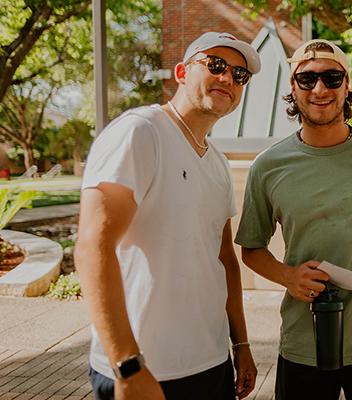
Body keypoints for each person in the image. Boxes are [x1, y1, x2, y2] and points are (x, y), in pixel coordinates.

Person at [75, 32, 261, 400]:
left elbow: (224, 260)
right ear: (180, 72)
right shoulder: (140, 132)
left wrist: (240, 346)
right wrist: (127, 366)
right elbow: (92, 246)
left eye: (240, 75)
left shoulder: (220, 164)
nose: (228, 78)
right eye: (216, 65)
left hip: (211, 365)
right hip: (144, 370)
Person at [235, 39, 352, 400]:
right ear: (293, 87)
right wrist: (288, 276)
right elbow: (251, 250)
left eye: (332, 78)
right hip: (305, 344)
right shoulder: (268, 166)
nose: (320, 89)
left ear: (347, 85)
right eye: (308, 79)